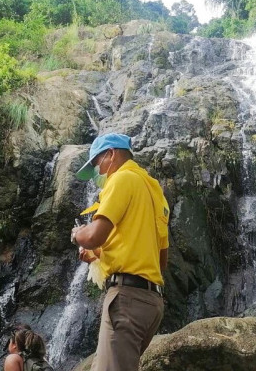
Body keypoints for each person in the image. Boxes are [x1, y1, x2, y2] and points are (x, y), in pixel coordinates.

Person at [71, 133, 169, 371]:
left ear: (111, 155)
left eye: (97, 164)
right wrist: (96, 255)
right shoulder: (154, 190)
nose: (97, 172)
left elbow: (94, 235)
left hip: (126, 300)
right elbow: (159, 260)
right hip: (151, 304)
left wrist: (78, 234)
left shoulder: (121, 178)